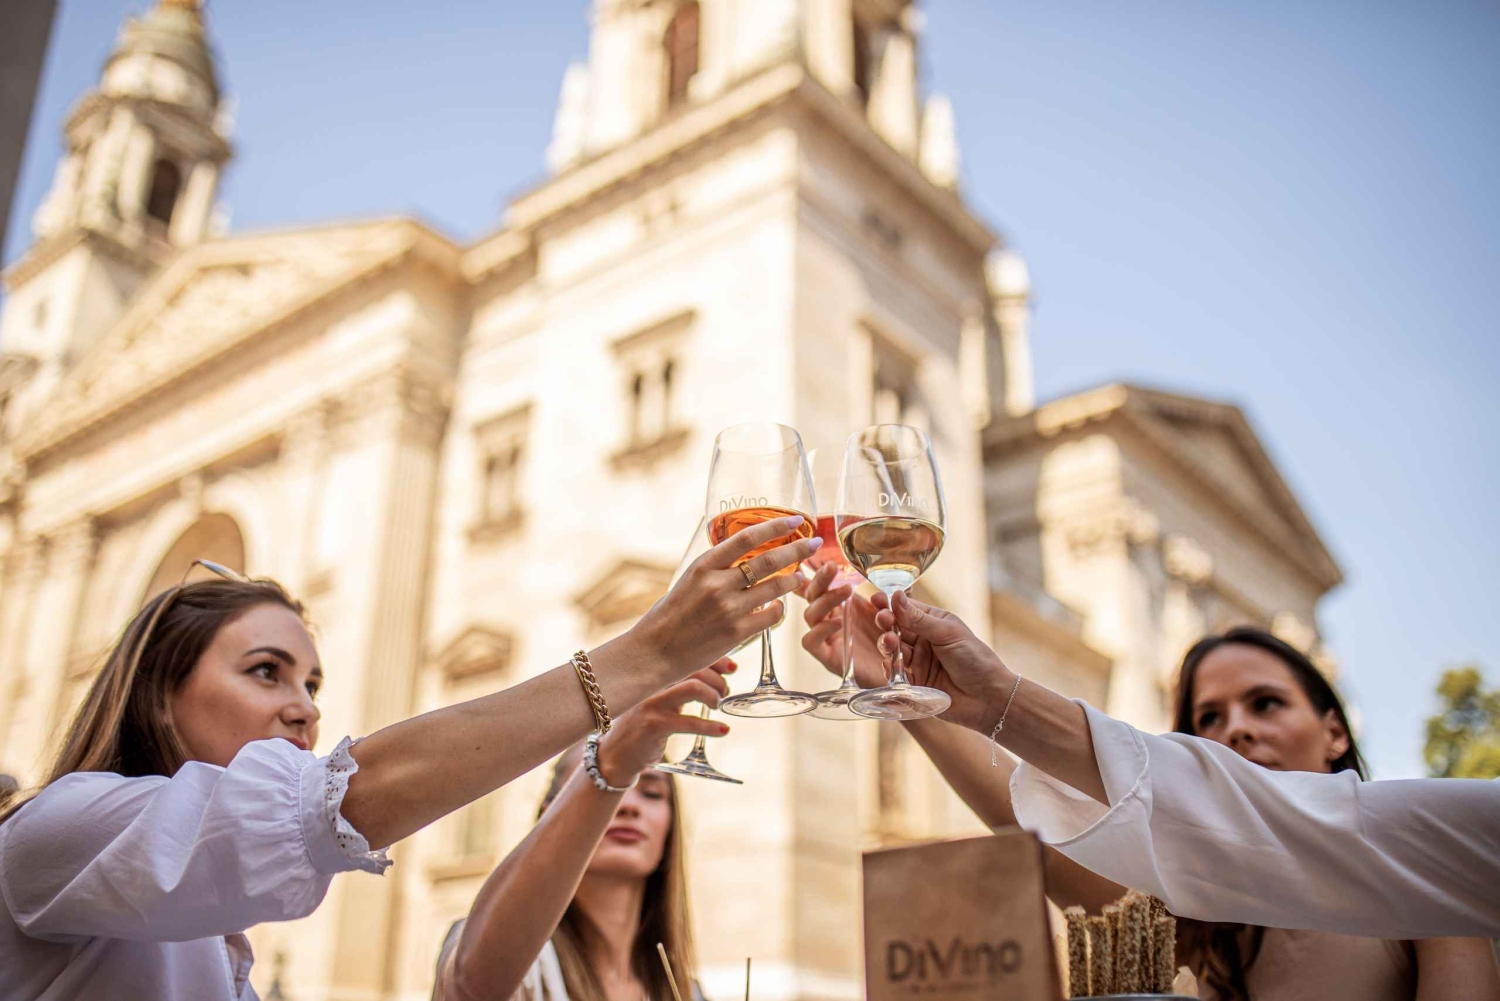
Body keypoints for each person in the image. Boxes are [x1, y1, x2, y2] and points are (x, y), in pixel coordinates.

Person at [0, 515, 817, 1001]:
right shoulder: (54, 830)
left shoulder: (212, 929)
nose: (307, 707)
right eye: (265, 671)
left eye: (314, 681)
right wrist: (645, 653)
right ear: (157, 694)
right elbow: (344, 800)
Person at [798, 564, 1500, 943]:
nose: (1237, 731)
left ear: (1336, 730)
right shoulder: (1205, 918)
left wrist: (1002, 699)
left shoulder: (1433, 907)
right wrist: (909, 699)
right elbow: (1043, 843)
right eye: (1206, 719)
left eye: (1266, 703)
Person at [431, 662, 729, 1001]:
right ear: (550, 817)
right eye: (599, 790)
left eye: (651, 793)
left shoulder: (685, 992)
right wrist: (611, 763)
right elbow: (469, 986)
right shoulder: (516, 963)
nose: (628, 806)